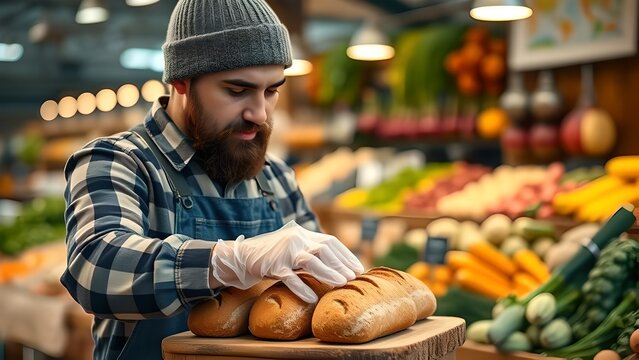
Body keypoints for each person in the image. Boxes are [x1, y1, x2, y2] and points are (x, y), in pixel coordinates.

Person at [60, 1, 364, 359]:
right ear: (181, 81)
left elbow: (317, 289)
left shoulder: (277, 178)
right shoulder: (119, 161)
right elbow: (95, 268)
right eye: (237, 91)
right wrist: (230, 260)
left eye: (271, 90)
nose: (259, 114)